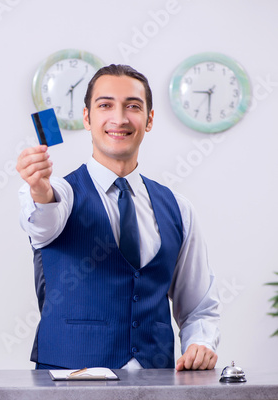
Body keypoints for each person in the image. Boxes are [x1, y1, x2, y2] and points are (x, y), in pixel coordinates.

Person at [16, 64, 220, 371]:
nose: (120, 118)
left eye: (133, 106)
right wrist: (40, 190)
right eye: (105, 105)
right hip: (68, 385)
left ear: (149, 120)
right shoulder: (59, 193)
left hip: (157, 385)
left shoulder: (178, 208)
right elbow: (43, 221)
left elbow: (199, 307)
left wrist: (200, 343)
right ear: (87, 117)